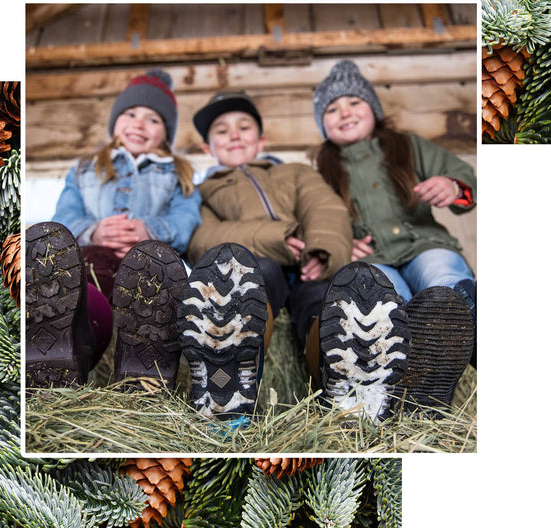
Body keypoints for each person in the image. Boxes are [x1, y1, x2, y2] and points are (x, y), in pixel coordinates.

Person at [178, 90, 361, 421]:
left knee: (323, 297)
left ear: (261, 141)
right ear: (208, 148)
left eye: (244, 127)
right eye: (222, 131)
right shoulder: (202, 194)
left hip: (308, 266)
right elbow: (201, 239)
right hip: (263, 268)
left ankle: (340, 381)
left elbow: (324, 207)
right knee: (252, 276)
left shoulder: (294, 173)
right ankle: (229, 376)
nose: (234, 135)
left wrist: (322, 249)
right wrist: (276, 237)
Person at [311, 60, 477, 416]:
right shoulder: (322, 170)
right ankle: (414, 371)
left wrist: (451, 185)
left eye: (354, 103)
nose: (344, 113)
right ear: (321, 125)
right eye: (332, 109)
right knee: (387, 302)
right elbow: (320, 218)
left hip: (423, 243)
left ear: (374, 109)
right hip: (373, 258)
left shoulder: (408, 147)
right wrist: (341, 244)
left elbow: (460, 173)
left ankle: (462, 312)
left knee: (442, 278)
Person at [26, 69, 202, 389]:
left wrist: (149, 229)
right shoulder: (85, 169)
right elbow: (64, 216)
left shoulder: (177, 173)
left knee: (156, 278)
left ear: (167, 131)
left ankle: (148, 359)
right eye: (130, 114)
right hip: (97, 255)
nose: (138, 124)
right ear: (115, 121)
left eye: (153, 119)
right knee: (90, 273)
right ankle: (72, 349)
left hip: (151, 261)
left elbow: (186, 219)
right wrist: (93, 231)